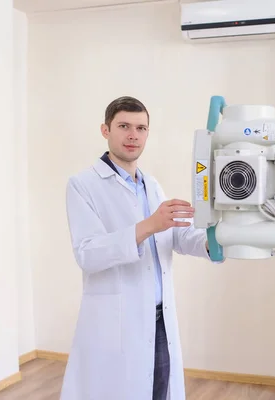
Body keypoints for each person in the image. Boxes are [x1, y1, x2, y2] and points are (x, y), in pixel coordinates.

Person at [60, 96, 215, 400]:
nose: (133, 135)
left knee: (158, 392)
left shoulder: (151, 185)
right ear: (105, 130)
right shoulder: (82, 185)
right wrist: (148, 225)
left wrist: (216, 241)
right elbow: (87, 253)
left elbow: (176, 237)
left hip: (159, 320)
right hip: (119, 322)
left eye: (141, 128)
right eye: (124, 126)